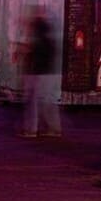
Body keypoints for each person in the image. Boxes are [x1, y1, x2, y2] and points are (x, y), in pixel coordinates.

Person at [19, 10, 60, 138]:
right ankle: (52, 128)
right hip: (47, 72)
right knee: (47, 102)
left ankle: (32, 129)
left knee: (33, 102)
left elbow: (34, 53)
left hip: (38, 72)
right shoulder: (48, 39)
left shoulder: (39, 40)